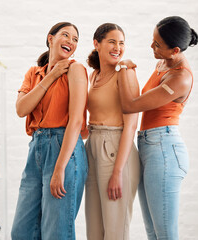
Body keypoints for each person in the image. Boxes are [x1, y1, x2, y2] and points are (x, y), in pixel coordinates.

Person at [117, 16, 198, 240]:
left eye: (157, 45)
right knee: (152, 231)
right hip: (150, 147)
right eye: (153, 40)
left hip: (164, 150)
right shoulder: (163, 63)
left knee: (165, 234)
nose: (151, 47)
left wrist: (123, 68)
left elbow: (129, 105)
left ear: (174, 50)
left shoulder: (180, 78)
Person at [11, 22, 88, 240]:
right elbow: (21, 108)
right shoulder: (34, 73)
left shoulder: (75, 69)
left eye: (75, 39)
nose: (71, 42)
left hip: (64, 148)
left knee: (56, 232)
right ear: (50, 38)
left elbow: (75, 121)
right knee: (22, 232)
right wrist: (51, 76)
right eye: (66, 35)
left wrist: (60, 168)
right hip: (36, 148)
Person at [85, 23, 140, 240]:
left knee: (116, 230)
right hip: (93, 146)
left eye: (121, 43)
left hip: (116, 149)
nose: (118, 47)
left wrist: (118, 172)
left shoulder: (126, 74)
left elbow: (132, 125)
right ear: (96, 44)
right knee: (95, 230)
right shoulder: (94, 75)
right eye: (112, 42)